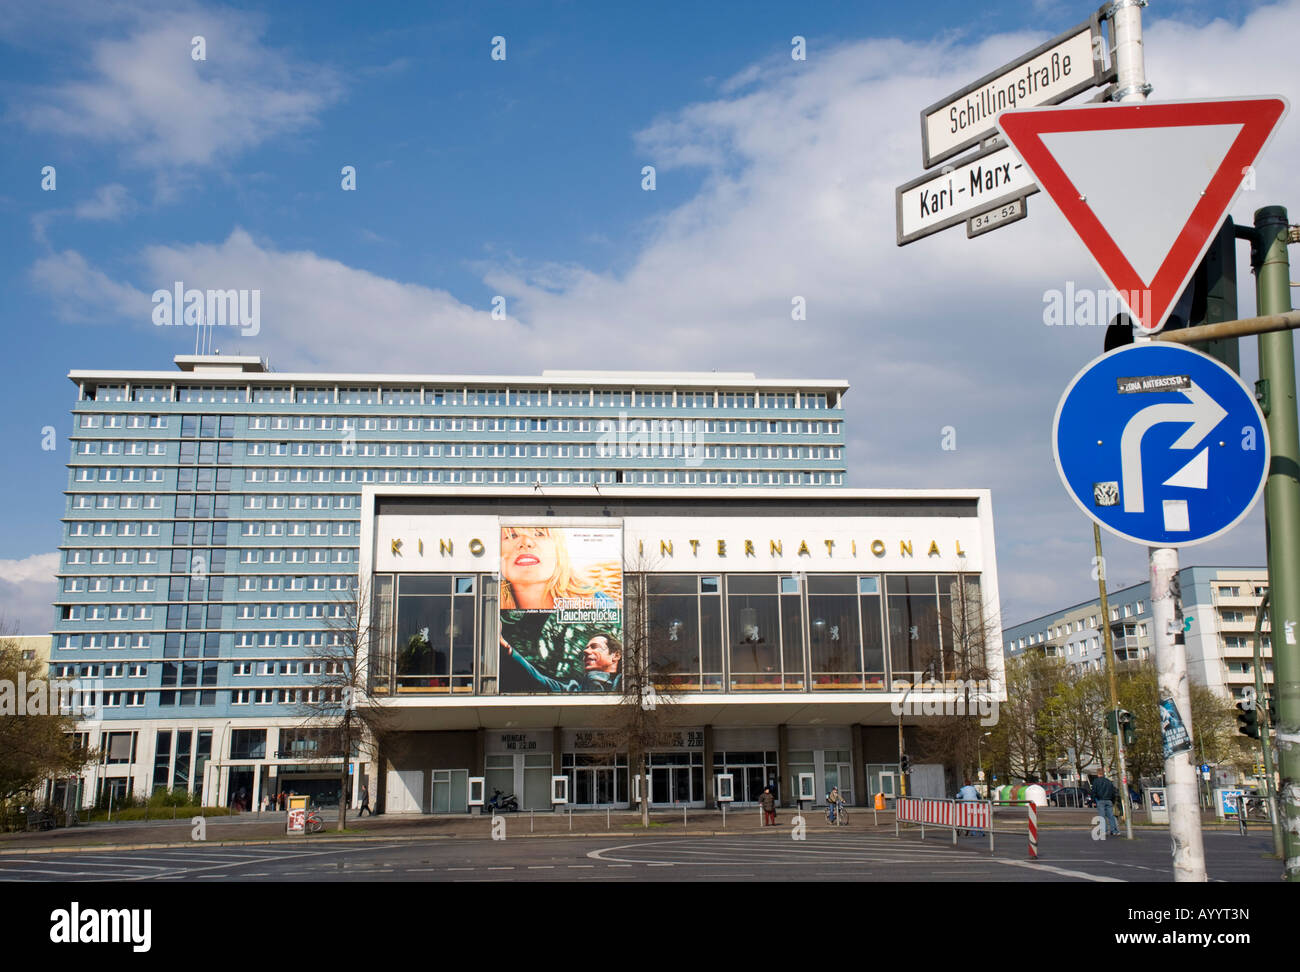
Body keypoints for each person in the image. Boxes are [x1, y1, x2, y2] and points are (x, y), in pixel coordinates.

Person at [503, 633, 623, 693]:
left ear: (616, 655)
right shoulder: (574, 689)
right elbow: (539, 678)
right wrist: (508, 648)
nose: (586, 651)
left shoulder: (626, 684)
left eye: (594, 647)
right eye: (586, 648)